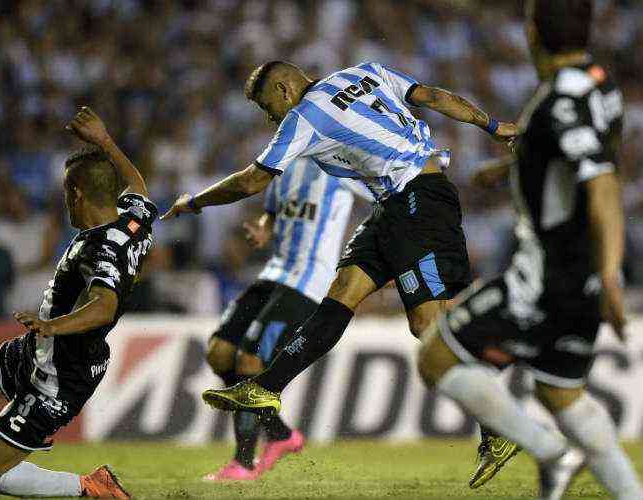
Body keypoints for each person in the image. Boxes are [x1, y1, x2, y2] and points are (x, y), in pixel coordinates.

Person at [163, 59, 517, 456]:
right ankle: (264, 388)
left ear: (283, 90)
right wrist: (492, 125)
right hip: (396, 205)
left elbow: (252, 180)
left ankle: (500, 424)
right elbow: (433, 96)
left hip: (419, 201)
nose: (269, 118)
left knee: (428, 324)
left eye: (267, 108)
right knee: (345, 287)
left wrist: (195, 202)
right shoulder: (364, 71)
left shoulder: (304, 116)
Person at [416, 1, 642, 499]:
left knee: (436, 357)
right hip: (579, 275)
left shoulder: (558, 99)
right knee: (560, 392)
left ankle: (552, 455)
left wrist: (612, 275)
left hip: (547, 276)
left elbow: (601, 183)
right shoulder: (600, 84)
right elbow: (577, 158)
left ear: (533, 32)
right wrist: (510, 170)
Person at [0, 107, 157, 499]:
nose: (64, 202)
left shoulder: (102, 249)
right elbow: (138, 186)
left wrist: (53, 326)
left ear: (76, 194)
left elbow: (103, 306)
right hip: (47, 351)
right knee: (3, 361)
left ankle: (91, 488)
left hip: (59, 376)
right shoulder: (133, 220)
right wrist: (104, 141)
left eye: (66, 193)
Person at [204, 157, 372, 480]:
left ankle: (243, 463)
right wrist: (264, 230)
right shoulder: (282, 159)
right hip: (274, 273)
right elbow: (271, 212)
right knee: (220, 351)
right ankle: (280, 433)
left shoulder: (340, 159)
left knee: (250, 361)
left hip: (308, 283)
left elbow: (387, 190)